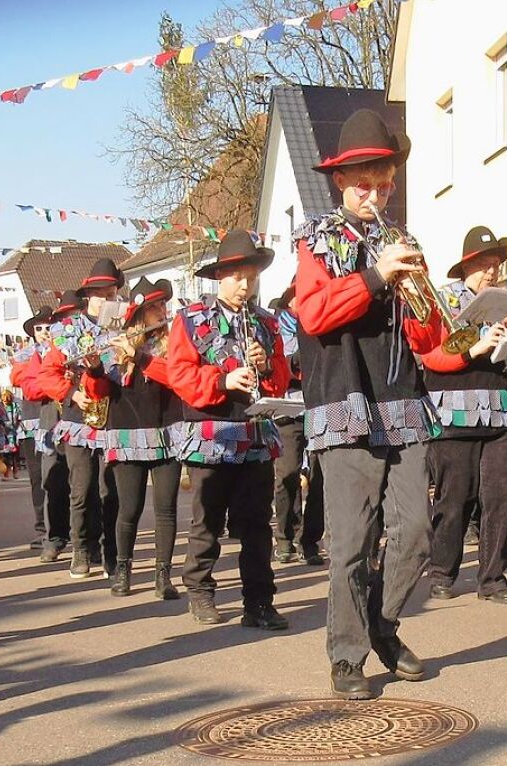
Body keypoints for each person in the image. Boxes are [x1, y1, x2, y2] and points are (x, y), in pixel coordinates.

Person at [293, 109, 443, 699]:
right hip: (344, 399)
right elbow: (314, 313)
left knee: (418, 532)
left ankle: (381, 624)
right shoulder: (315, 238)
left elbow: (428, 337)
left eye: (384, 182)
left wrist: (437, 313)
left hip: (402, 398)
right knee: (352, 540)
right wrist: (377, 278)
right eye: (364, 182)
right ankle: (348, 656)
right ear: (339, 181)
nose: (375, 193)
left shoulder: (402, 240)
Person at [168, 229, 291, 630]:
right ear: (219, 276)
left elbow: (281, 380)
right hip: (211, 436)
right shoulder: (189, 320)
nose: (245, 284)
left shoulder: (266, 322)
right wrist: (221, 381)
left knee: (257, 524)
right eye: (237, 276)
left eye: (251, 277)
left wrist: (268, 364)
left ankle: (258, 602)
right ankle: (200, 592)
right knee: (207, 521)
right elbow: (180, 374)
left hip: (255, 433)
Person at [423, 226, 507, 606]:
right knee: (456, 497)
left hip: (504, 410)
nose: (491, 272)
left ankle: (493, 578)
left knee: (503, 497)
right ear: (465, 267)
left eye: (495, 265)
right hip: (454, 410)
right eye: (483, 265)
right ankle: (442, 570)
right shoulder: (441, 299)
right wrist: (476, 347)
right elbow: (431, 356)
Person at [82, 277, 183, 599]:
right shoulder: (116, 345)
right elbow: (100, 392)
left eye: (163, 305)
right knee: (129, 508)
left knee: (166, 508)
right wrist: (95, 368)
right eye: (155, 306)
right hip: (126, 432)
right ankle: (122, 570)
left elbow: (173, 378)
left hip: (166, 430)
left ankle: (163, 576)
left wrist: (139, 357)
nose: (162, 310)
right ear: (140, 314)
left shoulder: (171, 345)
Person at [38, 264, 122, 579]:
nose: (105, 299)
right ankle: (81, 549)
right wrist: (72, 393)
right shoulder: (66, 329)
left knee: (110, 489)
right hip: (78, 417)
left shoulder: (120, 327)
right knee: (82, 488)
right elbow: (48, 374)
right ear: (87, 296)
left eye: (111, 294)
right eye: (99, 294)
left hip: (114, 414)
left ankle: (109, 552)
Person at [270, 281, 324, 566]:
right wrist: (295, 360)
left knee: (318, 477)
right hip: (288, 408)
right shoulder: (277, 328)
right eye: (301, 297)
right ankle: (284, 537)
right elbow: (274, 364)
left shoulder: (321, 325)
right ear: (290, 301)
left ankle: (310, 540)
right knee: (288, 473)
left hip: (318, 407)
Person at [10, 306, 53, 548]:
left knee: (60, 477)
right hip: (31, 423)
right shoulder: (24, 355)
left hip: (58, 422)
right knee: (37, 479)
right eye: (39, 328)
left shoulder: (64, 349)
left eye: (48, 327)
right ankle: (41, 528)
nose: (44, 332)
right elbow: (18, 378)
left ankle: (63, 528)